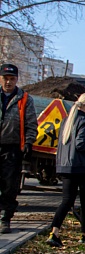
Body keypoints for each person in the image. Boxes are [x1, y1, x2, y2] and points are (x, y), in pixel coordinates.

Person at [46, 93, 85, 247]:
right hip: (83, 167)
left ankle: (54, 233)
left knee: (67, 200)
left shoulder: (67, 120)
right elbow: (81, 145)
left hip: (67, 166)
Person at [0, 64, 37, 234]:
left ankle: (5, 217)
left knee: (9, 185)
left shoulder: (24, 98)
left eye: (12, 79)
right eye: (5, 78)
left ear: (16, 80)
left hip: (12, 148)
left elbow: (31, 122)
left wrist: (29, 142)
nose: (8, 82)